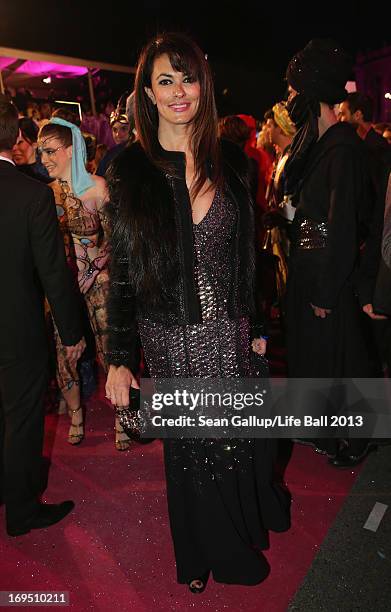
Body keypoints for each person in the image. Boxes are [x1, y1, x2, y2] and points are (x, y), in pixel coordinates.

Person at [105, 32, 290, 592]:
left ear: (202, 86)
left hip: (230, 333)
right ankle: (206, 554)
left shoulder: (233, 162)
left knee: (236, 442)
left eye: (188, 78)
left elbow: (248, 255)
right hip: (172, 338)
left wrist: (257, 326)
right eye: (166, 80)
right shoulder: (129, 172)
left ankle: (243, 524)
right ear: (149, 92)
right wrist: (117, 357)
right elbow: (121, 274)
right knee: (194, 453)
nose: (179, 91)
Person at [284, 39, 375, 467]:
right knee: (323, 359)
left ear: (312, 95)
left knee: (341, 359)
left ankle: (351, 440)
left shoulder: (342, 147)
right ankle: (330, 434)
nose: (287, 101)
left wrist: (324, 290)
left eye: (292, 93)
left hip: (328, 279)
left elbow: (341, 228)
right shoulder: (321, 146)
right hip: (312, 274)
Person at [0, 95, 85, 536]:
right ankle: (21, 511)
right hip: (17, 328)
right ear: (17, 139)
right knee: (23, 416)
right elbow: (53, 271)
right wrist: (73, 332)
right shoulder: (32, 196)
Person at [37, 117, 130, 451]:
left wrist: (96, 268)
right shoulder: (43, 196)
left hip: (98, 280)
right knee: (64, 356)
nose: (44, 158)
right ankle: (76, 414)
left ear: (70, 150)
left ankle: (122, 415)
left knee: (109, 349)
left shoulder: (98, 188)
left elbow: (116, 242)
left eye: (50, 151)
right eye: (40, 151)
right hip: (62, 289)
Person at [12, 117, 52, 183]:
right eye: (12, 142)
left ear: (35, 144)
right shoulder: (10, 171)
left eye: (20, 142)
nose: (14, 148)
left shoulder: (49, 171)